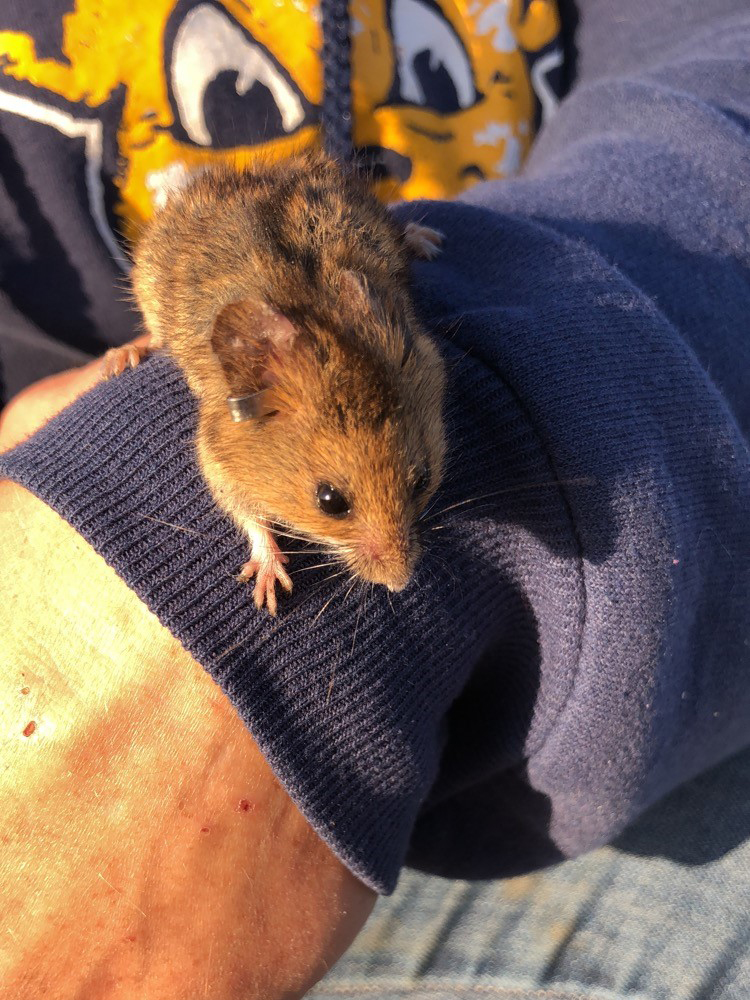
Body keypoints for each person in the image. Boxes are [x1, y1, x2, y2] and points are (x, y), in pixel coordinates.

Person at [1, 0, 749, 996]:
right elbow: (230, 456)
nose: (397, 563)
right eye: (343, 506)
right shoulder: (243, 393)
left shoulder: (386, 332)